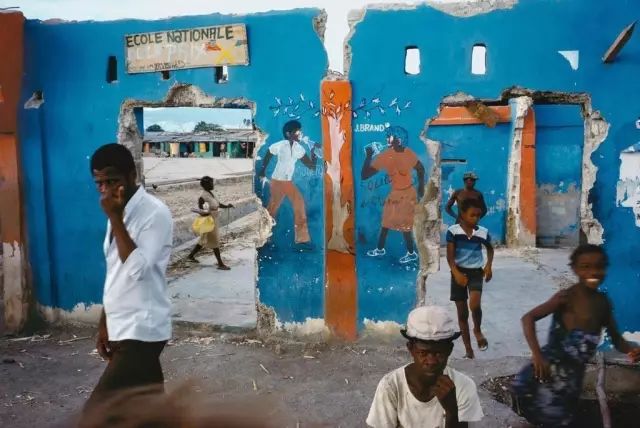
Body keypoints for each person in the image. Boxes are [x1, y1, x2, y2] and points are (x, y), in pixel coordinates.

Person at [510, 244, 640, 427]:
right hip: (548, 376)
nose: (593, 272)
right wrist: (537, 355)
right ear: (575, 269)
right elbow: (528, 318)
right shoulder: (565, 298)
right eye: (586, 267)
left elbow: (616, 338)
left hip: (571, 382)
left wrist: (631, 350)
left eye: (599, 266)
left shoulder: (603, 303)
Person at [86, 143, 173, 411]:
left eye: (112, 181)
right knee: (147, 408)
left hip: (142, 328)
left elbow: (138, 270)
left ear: (132, 175)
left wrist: (115, 219)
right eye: (99, 183)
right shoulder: (118, 209)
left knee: (97, 412)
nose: (106, 189)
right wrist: (105, 322)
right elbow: (116, 272)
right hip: (123, 324)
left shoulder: (154, 213)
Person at [367, 306, 483, 428]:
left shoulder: (464, 386)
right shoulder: (390, 386)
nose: (431, 361)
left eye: (439, 353)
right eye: (423, 353)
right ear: (410, 349)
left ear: (449, 350)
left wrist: (452, 412)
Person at [361, 126, 425, 264]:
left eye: (389, 136)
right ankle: (380, 249)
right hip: (395, 194)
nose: (387, 139)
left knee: (405, 225)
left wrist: (421, 189)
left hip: (408, 194)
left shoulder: (408, 153)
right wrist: (368, 157)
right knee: (386, 223)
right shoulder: (386, 155)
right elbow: (365, 175)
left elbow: (421, 169)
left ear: (398, 139)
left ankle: (411, 253)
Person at [258, 120, 320, 245]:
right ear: (288, 134)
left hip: (288, 182)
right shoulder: (281, 145)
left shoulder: (299, 148)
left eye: (300, 131)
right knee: (272, 208)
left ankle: (302, 238)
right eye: (297, 132)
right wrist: (263, 171)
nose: (300, 134)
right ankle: (263, 234)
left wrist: (313, 152)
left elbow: (311, 166)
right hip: (277, 181)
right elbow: (269, 153)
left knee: (299, 204)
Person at [446, 198, 493, 359]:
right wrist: (456, 273)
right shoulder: (453, 232)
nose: (476, 219)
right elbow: (450, 257)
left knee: (475, 304)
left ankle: (477, 330)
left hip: (475, 272)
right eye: (472, 215)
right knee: (462, 314)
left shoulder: (482, 232)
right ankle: (468, 349)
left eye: (478, 215)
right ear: (462, 214)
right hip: (458, 272)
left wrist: (488, 266)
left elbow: (490, 249)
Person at [187, 176, 233, 270]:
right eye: (211, 183)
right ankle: (220, 264)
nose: (213, 184)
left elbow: (218, 204)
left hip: (214, 219)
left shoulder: (211, 193)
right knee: (214, 240)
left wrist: (227, 206)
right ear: (206, 185)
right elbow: (201, 210)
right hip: (209, 221)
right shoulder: (203, 197)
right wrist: (206, 213)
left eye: (212, 182)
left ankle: (191, 256)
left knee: (203, 239)